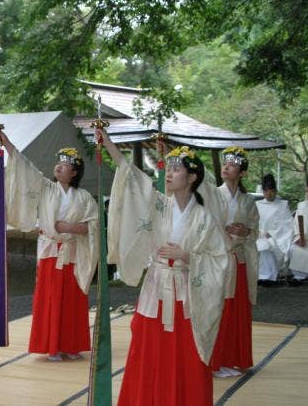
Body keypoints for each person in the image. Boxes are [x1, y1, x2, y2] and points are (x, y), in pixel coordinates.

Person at [97, 128, 229, 406]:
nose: (169, 174)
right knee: (149, 352)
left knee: (185, 355)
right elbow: (131, 177)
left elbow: (219, 259)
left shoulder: (204, 217)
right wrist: (107, 142)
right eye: (167, 169)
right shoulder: (158, 206)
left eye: (176, 170)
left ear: (192, 178)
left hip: (186, 297)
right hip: (155, 291)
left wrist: (188, 256)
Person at [0, 130, 98, 361]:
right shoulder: (46, 188)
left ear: (74, 172)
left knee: (73, 298)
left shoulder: (84, 197)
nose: (59, 167)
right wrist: (8, 144)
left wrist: (68, 227)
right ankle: (52, 345)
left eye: (65, 165)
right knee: (50, 297)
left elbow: (93, 226)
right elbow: (25, 167)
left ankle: (71, 344)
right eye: (58, 164)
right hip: (51, 249)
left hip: (73, 251)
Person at [207, 146, 259, 378]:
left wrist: (246, 231)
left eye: (233, 165)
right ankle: (217, 361)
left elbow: (255, 229)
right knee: (220, 310)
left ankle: (235, 358)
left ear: (242, 173)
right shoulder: (213, 195)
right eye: (225, 164)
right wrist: (226, 230)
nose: (226, 167)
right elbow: (206, 225)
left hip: (239, 260)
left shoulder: (248, 201)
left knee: (238, 311)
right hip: (220, 259)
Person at [256, 174, 293, 284]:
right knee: (262, 246)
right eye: (266, 191)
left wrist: (272, 233)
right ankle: (263, 276)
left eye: (271, 191)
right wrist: (260, 233)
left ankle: (270, 276)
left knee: (267, 246)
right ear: (263, 192)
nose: (269, 193)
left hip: (278, 237)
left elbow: (287, 224)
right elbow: (253, 223)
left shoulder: (283, 205)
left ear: (276, 191)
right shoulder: (257, 205)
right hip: (259, 236)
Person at [288, 171, 308, 280]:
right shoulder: (302, 206)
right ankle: (301, 276)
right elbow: (296, 227)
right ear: (307, 190)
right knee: (294, 250)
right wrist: (299, 239)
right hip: (306, 243)